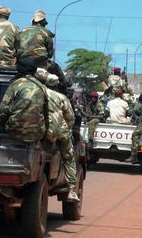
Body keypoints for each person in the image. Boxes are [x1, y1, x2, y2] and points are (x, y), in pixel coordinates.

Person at [0, 57, 48, 142]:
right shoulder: (42, 87)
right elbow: (46, 111)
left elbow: (3, 110)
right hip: (38, 134)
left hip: (16, 132)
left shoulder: (16, 84)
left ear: (20, 69)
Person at [40, 69, 79, 202]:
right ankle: (72, 190)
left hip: (43, 132)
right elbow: (70, 118)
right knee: (69, 157)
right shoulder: (62, 97)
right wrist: (65, 128)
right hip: (60, 132)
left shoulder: (39, 94)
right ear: (56, 85)